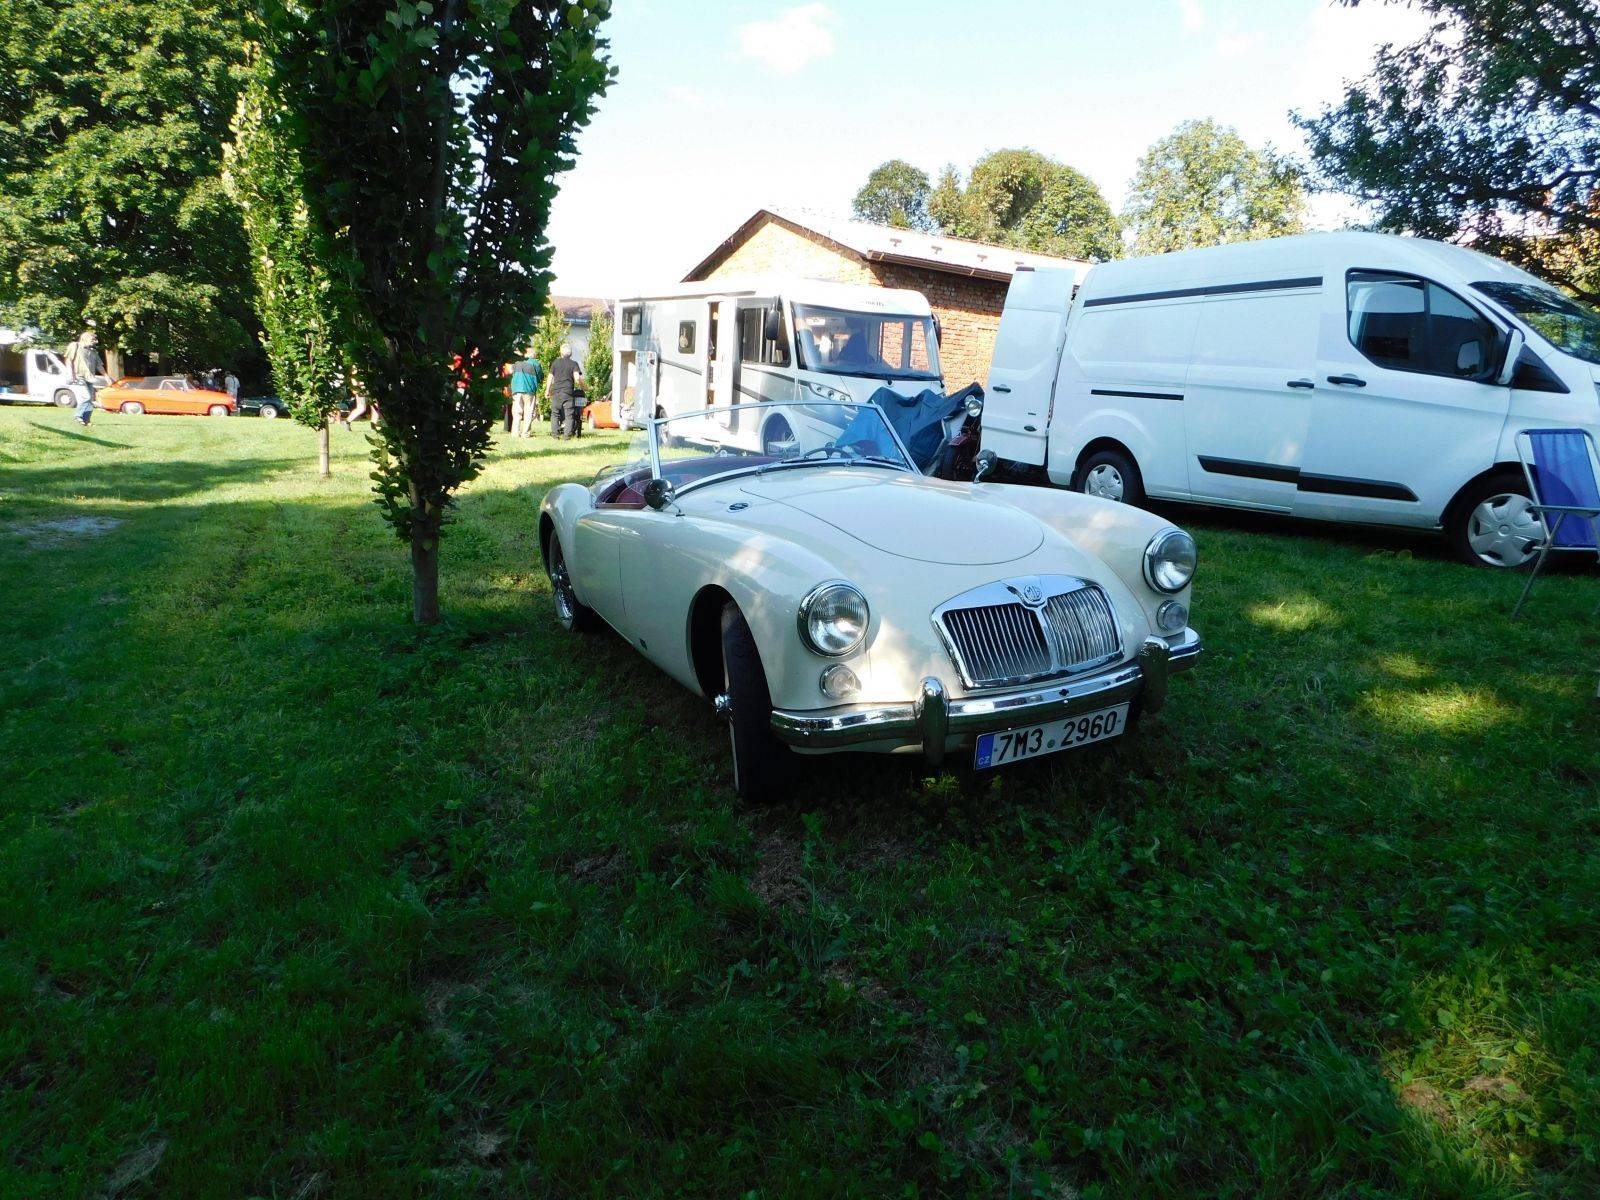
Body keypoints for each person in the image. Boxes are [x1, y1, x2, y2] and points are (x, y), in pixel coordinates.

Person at [64, 329, 105, 427]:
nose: (95, 341)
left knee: (89, 401)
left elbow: (99, 365)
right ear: (85, 338)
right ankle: (78, 416)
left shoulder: (93, 351)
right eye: (93, 339)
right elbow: (69, 360)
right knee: (86, 397)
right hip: (78, 377)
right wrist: (71, 374)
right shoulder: (75, 346)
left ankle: (86, 420)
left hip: (89, 378)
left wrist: (106, 377)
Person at [546, 342, 583, 440]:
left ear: (561, 353)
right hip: (568, 393)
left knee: (555, 414)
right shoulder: (574, 364)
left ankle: (555, 436)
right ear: (571, 354)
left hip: (556, 392)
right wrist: (584, 386)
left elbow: (550, 377)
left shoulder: (555, 363)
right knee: (569, 415)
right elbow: (577, 378)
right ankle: (567, 437)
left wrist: (547, 391)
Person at [509, 354, 543, 438]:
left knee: (516, 412)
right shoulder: (535, 363)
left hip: (516, 388)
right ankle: (525, 433)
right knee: (528, 411)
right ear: (534, 356)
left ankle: (515, 433)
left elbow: (510, 373)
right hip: (529, 389)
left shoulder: (516, 362)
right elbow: (540, 377)